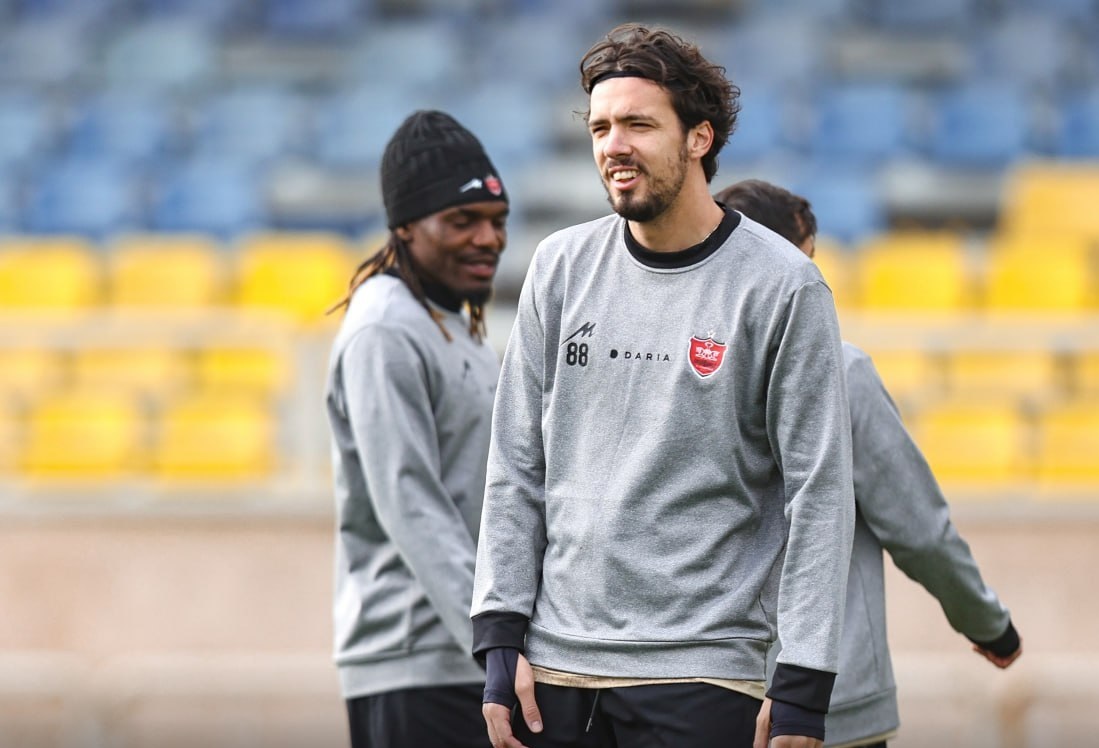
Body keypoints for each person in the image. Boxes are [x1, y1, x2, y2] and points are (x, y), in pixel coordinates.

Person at [470, 23, 856, 748]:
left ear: (698, 138)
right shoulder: (558, 266)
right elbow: (515, 461)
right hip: (553, 671)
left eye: (638, 125)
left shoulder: (783, 285)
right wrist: (499, 633)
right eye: (601, 128)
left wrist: (803, 680)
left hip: (703, 673)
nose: (613, 145)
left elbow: (819, 491)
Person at [715, 179, 1022, 748]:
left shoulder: (677, 369)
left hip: (692, 688)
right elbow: (919, 530)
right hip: (828, 704)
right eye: (806, 260)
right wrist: (988, 624)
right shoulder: (841, 374)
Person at [325, 110, 510, 748]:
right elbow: (411, 502)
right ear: (405, 224)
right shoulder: (385, 329)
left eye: (497, 221)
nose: (488, 238)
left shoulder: (452, 322)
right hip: (419, 664)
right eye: (462, 221)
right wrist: (494, 643)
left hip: (466, 659)